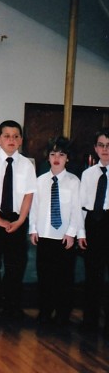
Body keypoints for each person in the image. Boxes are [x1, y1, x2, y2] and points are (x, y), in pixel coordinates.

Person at [0, 120, 37, 318]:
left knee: (16, 264)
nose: (11, 140)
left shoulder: (27, 165)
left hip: (17, 219)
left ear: (20, 140)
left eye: (15, 136)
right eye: (7, 136)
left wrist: (20, 221)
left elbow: (29, 195)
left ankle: (12, 307)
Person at [29, 137, 85, 325]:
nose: (56, 158)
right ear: (48, 157)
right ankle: (45, 310)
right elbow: (34, 207)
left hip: (63, 237)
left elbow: (77, 209)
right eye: (53, 154)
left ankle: (63, 313)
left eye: (61, 155)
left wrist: (71, 233)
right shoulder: (40, 181)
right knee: (45, 275)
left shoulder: (73, 181)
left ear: (67, 158)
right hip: (45, 235)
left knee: (64, 277)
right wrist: (33, 229)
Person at [78, 128, 109, 334]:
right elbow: (81, 205)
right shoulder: (88, 174)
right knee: (93, 275)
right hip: (93, 224)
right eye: (101, 145)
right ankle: (90, 320)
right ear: (95, 148)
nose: (105, 149)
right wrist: (81, 232)